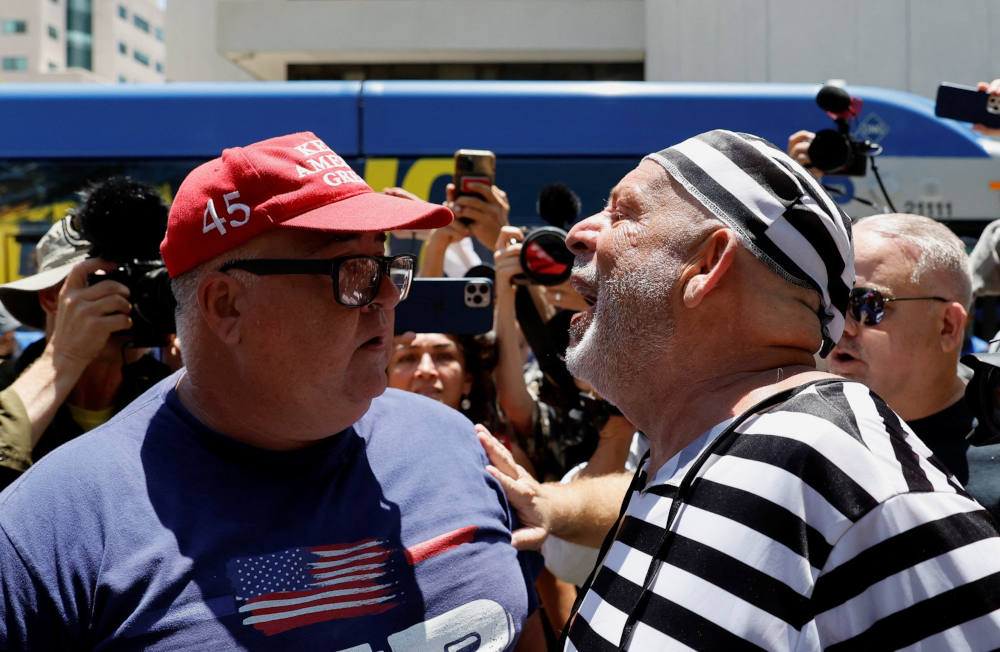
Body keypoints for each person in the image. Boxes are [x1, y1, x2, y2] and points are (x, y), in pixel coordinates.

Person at [0, 131, 538, 650]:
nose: (387, 300)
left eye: (389, 267)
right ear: (226, 305)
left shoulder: (459, 446)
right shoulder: (50, 533)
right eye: (353, 272)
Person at [480, 129, 1000, 649]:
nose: (576, 234)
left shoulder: (841, 466)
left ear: (706, 266)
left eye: (624, 215)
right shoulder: (688, 450)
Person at [0, 178, 173, 490]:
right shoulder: (6, 386)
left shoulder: (171, 392)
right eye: (114, 280)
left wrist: (200, 382)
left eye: (144, 282)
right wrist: (63, 359)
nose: (131, 297)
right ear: (52, 297)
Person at [826, 213, 1000, 518]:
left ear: (947, 326)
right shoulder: (795, 433)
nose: (841, 326)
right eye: (831, 302)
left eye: (867, 304)